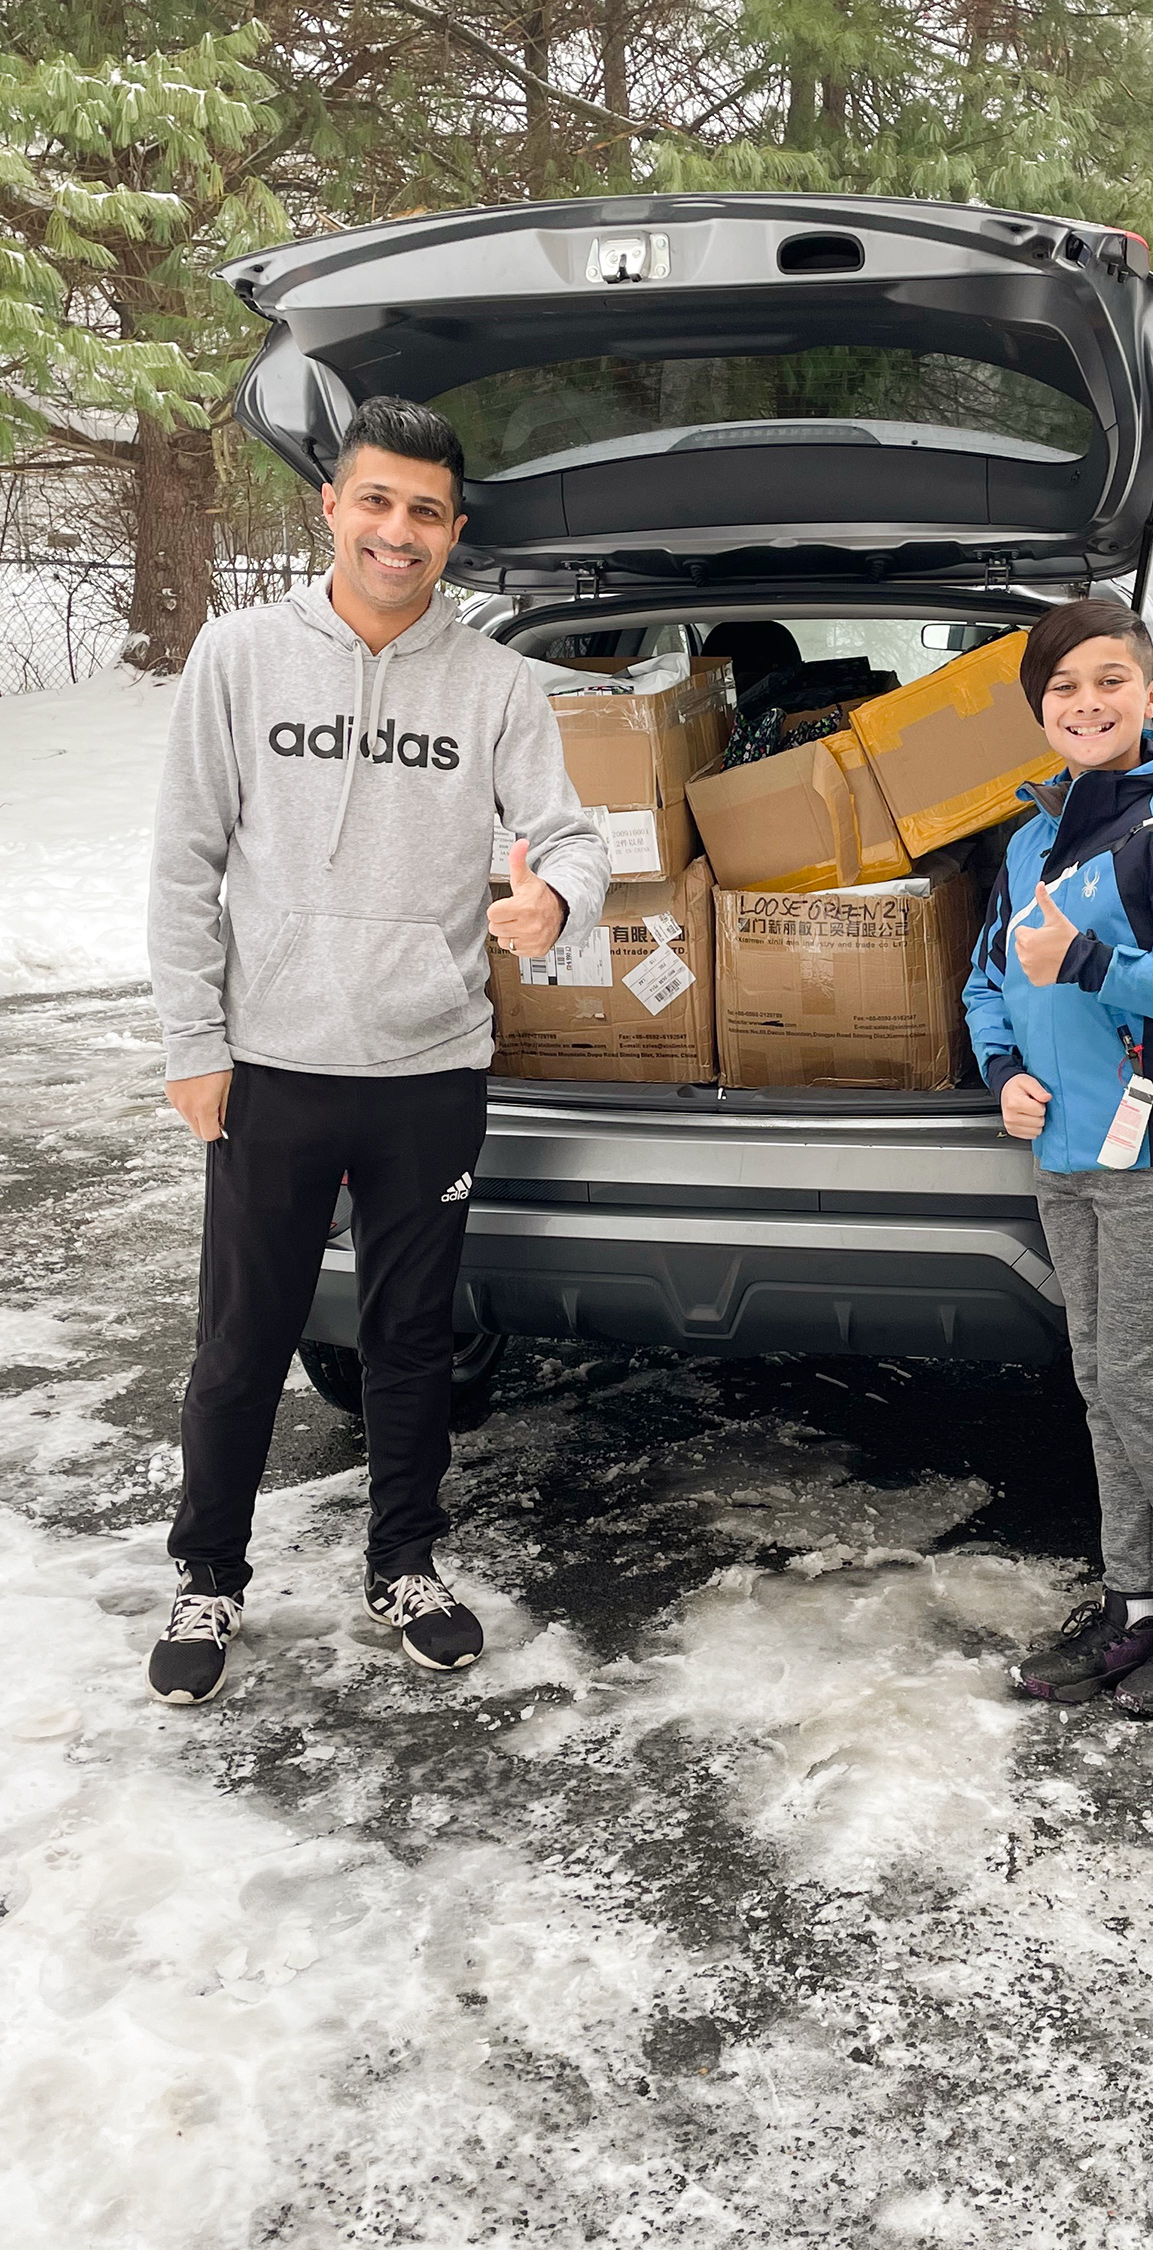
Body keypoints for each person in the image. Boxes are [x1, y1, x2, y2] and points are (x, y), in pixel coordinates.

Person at [144, 396, 610, 1705]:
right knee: (243, 1339)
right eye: (376, 501)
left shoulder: (498, 681)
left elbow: (570, 834)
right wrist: (195, 1042)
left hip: (428, 1072)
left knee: (411, 1340)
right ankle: (209, 1575)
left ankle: (405, 1561)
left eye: (424, 511)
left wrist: (555, 902)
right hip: (272, 1066)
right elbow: (183, 862)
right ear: (332, 507)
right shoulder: (239, 658)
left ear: (454, 533)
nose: (396, 530)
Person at [963, 598, 1153, 1718]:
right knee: (1103, 1385)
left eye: (1107, 681)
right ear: (1039, 709)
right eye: (1062, 689)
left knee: (1142, 1384)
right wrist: (1004, 1073)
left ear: (1149, 694)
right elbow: (987, 980)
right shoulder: (1030, 838)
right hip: (1064, 1147)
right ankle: (1135, 1603)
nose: (1085, 703)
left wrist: (1090, 959)